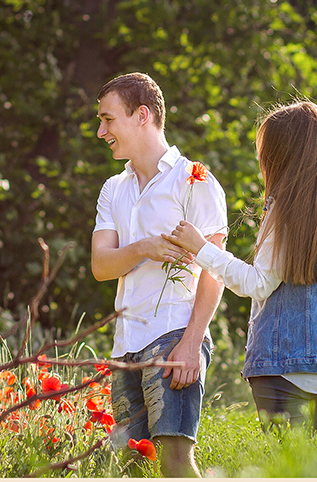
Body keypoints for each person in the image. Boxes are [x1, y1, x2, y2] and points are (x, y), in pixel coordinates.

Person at [163, 100, 317, 430]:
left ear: (283, 155)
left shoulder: (286, 209)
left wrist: (201, 248)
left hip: (284, 370)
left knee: (285, 459)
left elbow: (257, 283)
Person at [91, 72, 228, 476]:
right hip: (125, 346)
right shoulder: (113, 189)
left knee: (175, 461)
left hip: (174, 337)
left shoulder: (194, 181)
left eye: (108, 119)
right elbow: (101, 266)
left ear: (142, 115)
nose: (101, 132)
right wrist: (143, 248)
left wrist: (192, 343)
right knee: (133, 465)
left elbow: (216, 270)